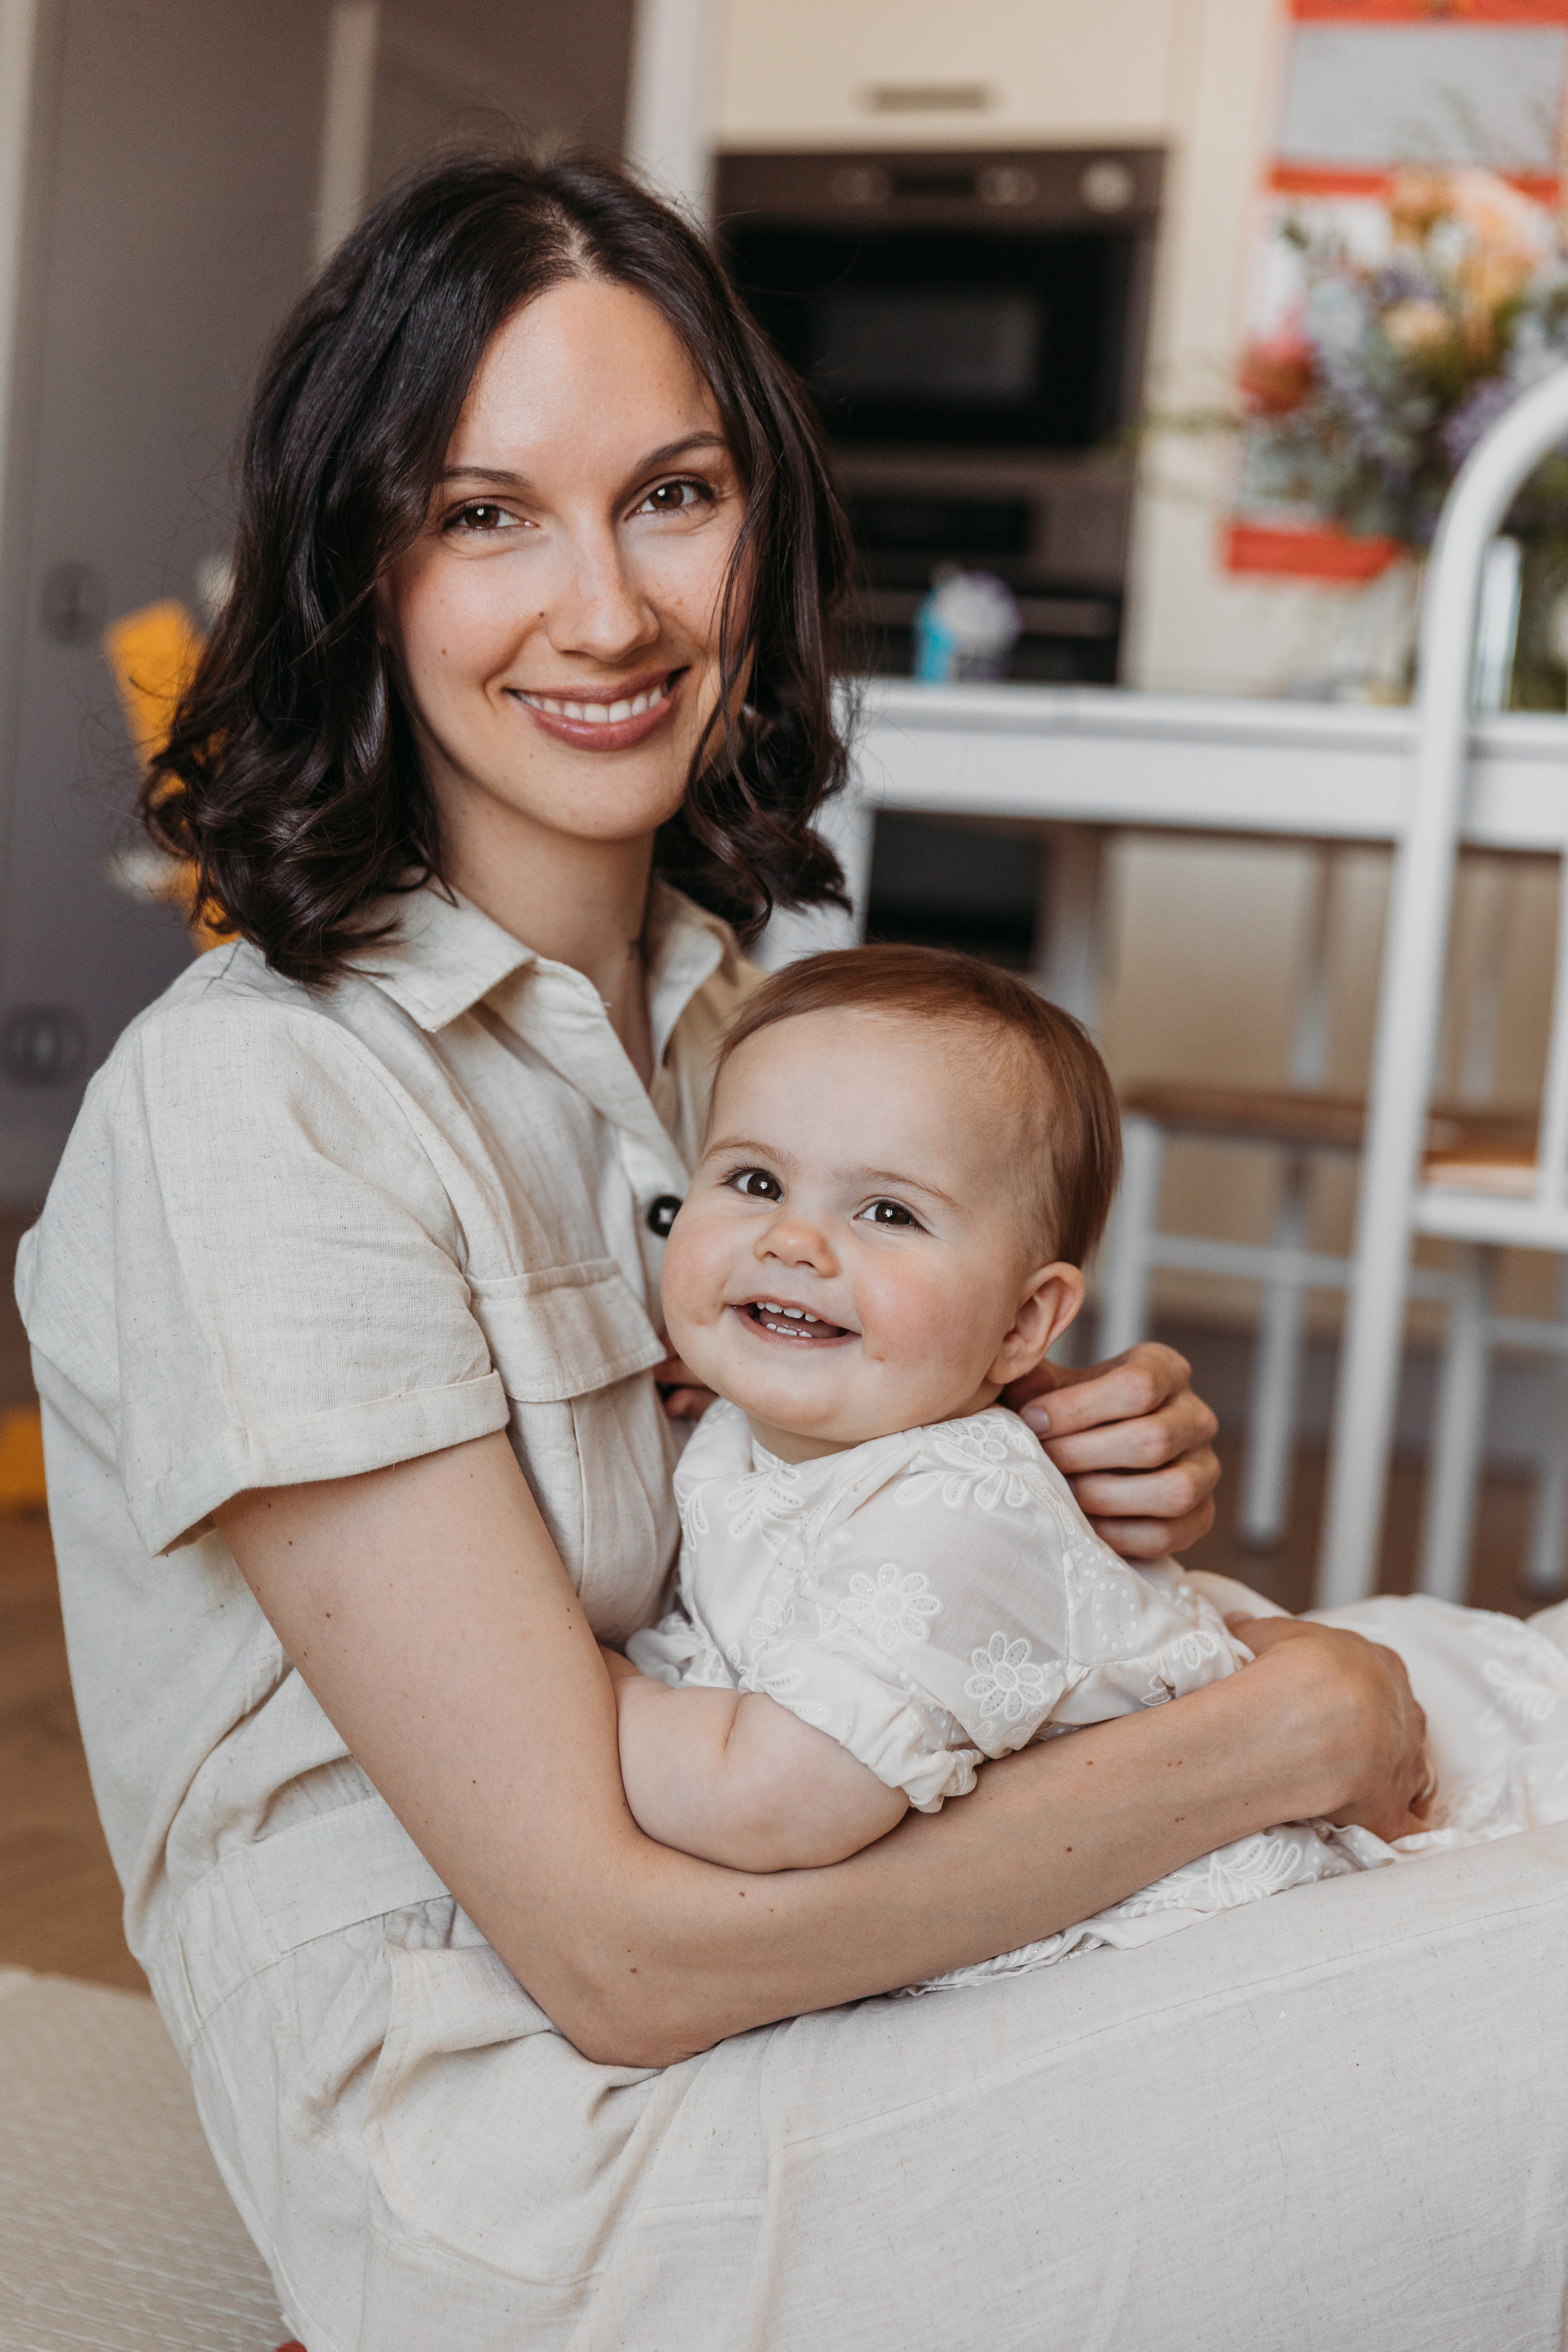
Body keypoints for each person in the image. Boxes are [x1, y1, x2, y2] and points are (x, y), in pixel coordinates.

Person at [15, 154, 1433, 2350]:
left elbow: (774, 1550)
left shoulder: (734, 1028)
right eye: (487, 514)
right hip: (541, 2127)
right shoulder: (260, 1108)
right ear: (355, 567)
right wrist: (1273, 1741)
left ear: (759, 531)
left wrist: (1013, 1456)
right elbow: (621, 1954)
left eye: (670, 495)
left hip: (823, 1966)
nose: (607, 610)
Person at [612, 943, 1568, 1992]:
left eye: (888, 1212)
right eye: (755, 1180)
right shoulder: (773, 1425)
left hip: (1219, 1898)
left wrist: (588, 1684)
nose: (794, 1239)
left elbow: (764, 1804)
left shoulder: (953, 1516)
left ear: (1026, 1324)